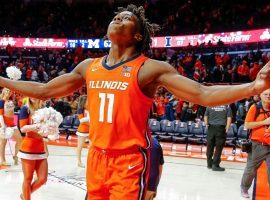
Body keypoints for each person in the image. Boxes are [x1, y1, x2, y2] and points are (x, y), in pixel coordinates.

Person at [0, 4, 270, 199]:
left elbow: (203, 94)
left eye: (126, 18)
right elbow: (44, 89)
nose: (118, 18)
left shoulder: (150, 68)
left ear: (138, 36)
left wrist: (254, 86)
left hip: (129, 161)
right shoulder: (88, 66)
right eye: (116, 16)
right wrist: (3, 81)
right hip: (97, 157)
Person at [240, 89, 270, 198]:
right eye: (265, 94)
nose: (268, 96)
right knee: (251, 170)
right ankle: (244, 188)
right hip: (257, 145)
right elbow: (247, 125)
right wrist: (264, 122)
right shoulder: (255, 108)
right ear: (260, 96)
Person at [18, 97, 47, 200]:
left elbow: (46, 129)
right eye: (31, 94)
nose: (33, 96)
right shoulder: (25, 109)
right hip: (28, 148)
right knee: (28, 179)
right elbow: (22, 128)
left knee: (42, 179)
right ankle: (27, 197)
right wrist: (37, 126)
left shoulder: (44, 109)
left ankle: (25, 195)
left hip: (41, 147)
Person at [204, 105, 232, 171]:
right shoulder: (227, 106)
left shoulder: (210, 105)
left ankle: (209, 164)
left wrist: (206, 124)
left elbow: (205, 116)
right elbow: (229, 118)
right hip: (221, 128)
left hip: (211, 128)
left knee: (209, 146)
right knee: (218, 148)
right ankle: (215, 165)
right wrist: (227, 128)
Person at [0, 88, 22, 165]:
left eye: (10, 91)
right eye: (7, 91)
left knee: (19, 139)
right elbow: (0, 115)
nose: (8, 92)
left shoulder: (11, 101)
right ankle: (2, 160)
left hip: (12, 124)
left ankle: (16, 156)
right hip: (3, 124)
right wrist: (3, 126)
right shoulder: (1, 101)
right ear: (3, 91)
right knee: (3, 142)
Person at [76, 95, 90, 168]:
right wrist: (91, 123)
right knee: (80, 146)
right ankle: (79, 162)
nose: (89, 101)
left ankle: (91, 161)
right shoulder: (80, 109)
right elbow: (81, 121)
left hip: (91, 130)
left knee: (92, 147)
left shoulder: (91, 107)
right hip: (83, 130)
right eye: (87, 100)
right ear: (84, 101)